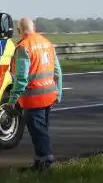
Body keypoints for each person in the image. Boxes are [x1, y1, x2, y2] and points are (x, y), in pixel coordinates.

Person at [6, 17, 63, 172]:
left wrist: (13, 99)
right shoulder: (47, 43)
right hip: (48, 96)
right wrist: (59, 92)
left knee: (39, 133)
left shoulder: (24, 47)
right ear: (34, 27)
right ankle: (39, 162)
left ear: (19, 31)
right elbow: (58, 72)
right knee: (42, 130)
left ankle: (46, 164)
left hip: (33, 99)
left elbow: (22, 78)